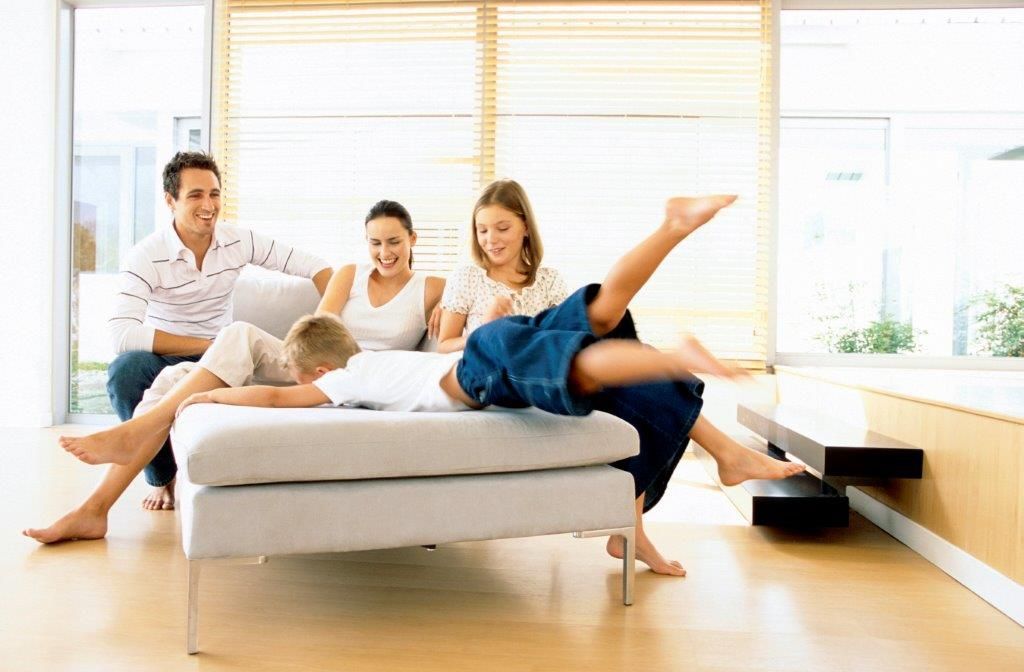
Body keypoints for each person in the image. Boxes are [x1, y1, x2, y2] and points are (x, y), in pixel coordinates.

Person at [52, 195, 804, 580]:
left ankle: (675, 358)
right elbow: (285, 389)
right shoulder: (357, 366)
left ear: (318, 367)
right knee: (602, 317)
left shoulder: (344, 382)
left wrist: (208, 397)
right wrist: (206, 395)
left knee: (575, 359)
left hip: (474, 368)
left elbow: (280, 398)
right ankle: (672, 229)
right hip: (482, 353)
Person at [23, 199, 444, 544]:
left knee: (237, 334)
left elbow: (442, 348)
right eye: (375, 242)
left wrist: (453, 316)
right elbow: (321, 328)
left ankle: (131, 438)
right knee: (173, 378)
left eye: (394, 242)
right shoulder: (350, 274)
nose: (384, 253)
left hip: (358, 380)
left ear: (412, 239)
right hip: (315, 361)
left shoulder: (433, 289)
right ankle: (95, 511)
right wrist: (308, 360)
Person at [437, 180, 800, 576]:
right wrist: (490, 322)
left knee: (608, 322)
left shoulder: (550, 280)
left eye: (502, 228)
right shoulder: (468, 278)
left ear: (525, 227)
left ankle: (673, 226)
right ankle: (721, 453)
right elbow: (443, 345)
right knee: (603, 362)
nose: (491, 239)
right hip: (498, 362)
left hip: (548, 357)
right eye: (483, 230)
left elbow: (573, 336)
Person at [104, 151, 333, 512]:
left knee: (231, 349)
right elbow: (122, 334)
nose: (208, 205)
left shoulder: (237, 240)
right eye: (195, 195)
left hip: (220, 358)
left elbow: (318, 268)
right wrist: (205, 343)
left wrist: (328, 326)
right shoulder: (146, 255)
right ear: (170, 201)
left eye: (214, 193)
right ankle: (163, 478)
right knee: (124, 372)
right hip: (171, 353)